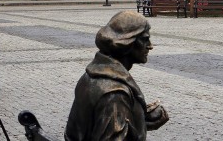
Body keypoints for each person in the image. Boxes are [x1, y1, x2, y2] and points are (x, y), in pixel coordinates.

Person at [64, 11, 169, 140]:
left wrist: (139, 116)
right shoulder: (115, 95)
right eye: (145, 39)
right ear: (127, 43)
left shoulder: (91, 76)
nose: (150, 46)